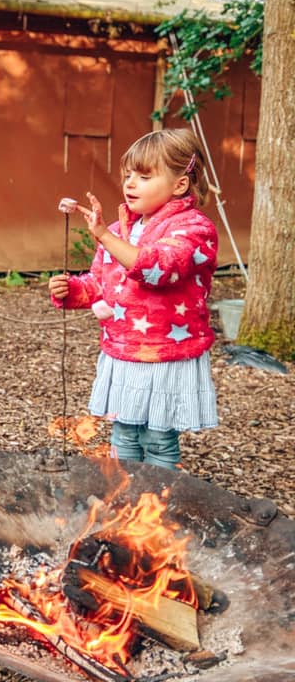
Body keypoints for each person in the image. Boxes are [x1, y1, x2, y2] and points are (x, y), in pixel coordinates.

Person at [48, 128, 218, 469]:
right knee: (123, 436)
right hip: (124, 351)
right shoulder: (118, 230)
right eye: (128, 175)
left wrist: (104, 238)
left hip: (166, 354)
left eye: (144, 176)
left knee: (158, 440)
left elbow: (158, 268)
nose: (130, 184)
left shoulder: (195, 229)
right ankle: (125, 508)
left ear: (179, 184)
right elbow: (101, 283)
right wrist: (73, 290)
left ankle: (157, 511)